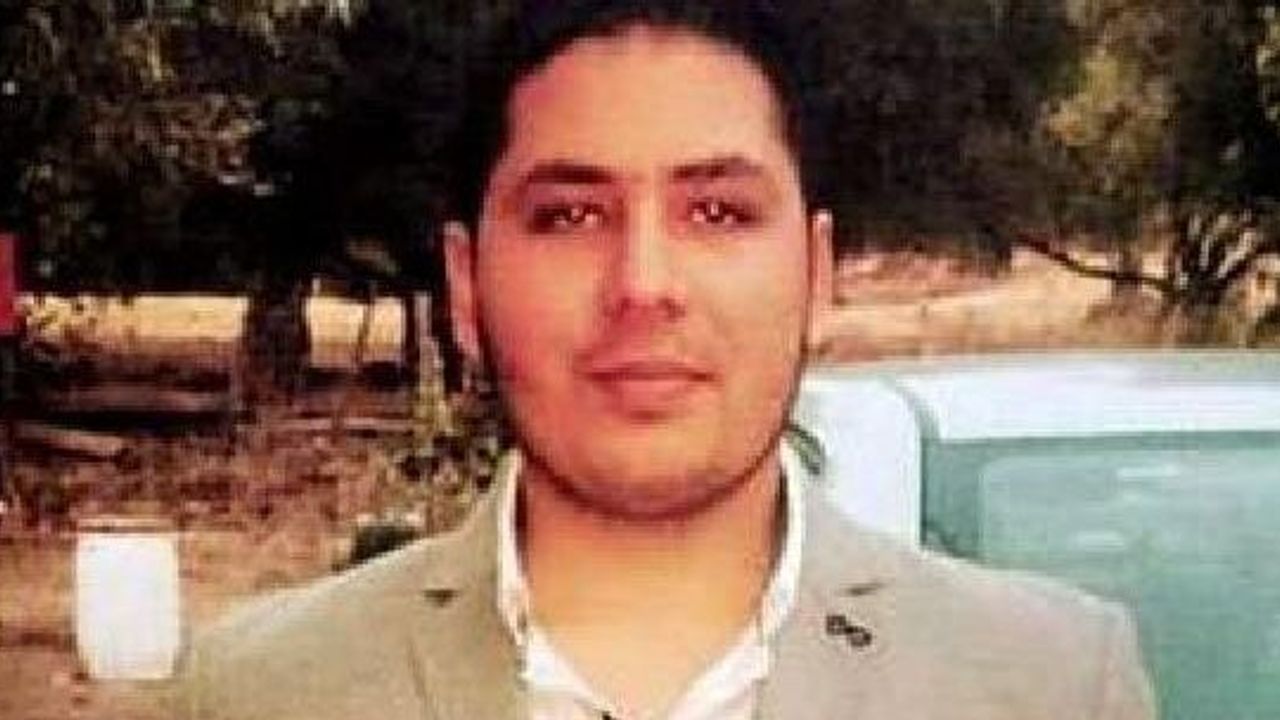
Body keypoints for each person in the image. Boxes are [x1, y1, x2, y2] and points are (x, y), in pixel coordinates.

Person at [182, 2, 1156, 718]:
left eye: (717, 212)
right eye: (570, 216)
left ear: (817, 275)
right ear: (467, 285)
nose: (643, 284)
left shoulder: (1050, 684)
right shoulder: (259, 693)